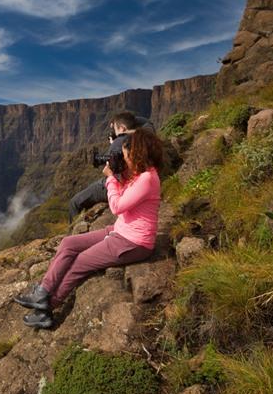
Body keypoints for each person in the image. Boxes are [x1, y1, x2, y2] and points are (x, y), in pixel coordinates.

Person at [15, 127, 164, 329]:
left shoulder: (147, 178)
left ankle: (48, 308)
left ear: (139, 154)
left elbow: (117, 206)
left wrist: (111, 178)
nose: (125, 157)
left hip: (134, 242)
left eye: (127, 154)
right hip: (120, 230)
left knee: (80, 261)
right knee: (69, 243)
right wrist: (119, 174)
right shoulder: (139, 175)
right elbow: (123, 203)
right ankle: (42, 292)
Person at [68, 112, 154, 223]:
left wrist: (115, 142)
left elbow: (112, 168)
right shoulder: (146, 136)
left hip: (120, 182)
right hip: (138, 179)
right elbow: (148, 122)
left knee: (74, 203)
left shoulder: (119, 143)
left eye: (116, 129)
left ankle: (73, 232)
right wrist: (127, 121)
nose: (114, 132)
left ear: (122, 128)